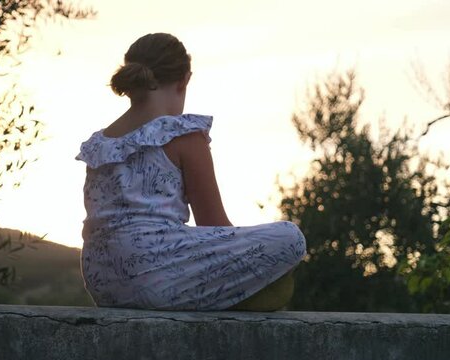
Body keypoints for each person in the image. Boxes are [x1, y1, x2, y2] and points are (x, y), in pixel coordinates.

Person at [75, 33, 306, 311]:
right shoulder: (183, 135)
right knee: (290, 238)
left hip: (103, 284)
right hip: (156, 279)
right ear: (185, 79)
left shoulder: (98, 146)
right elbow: (214, 225)